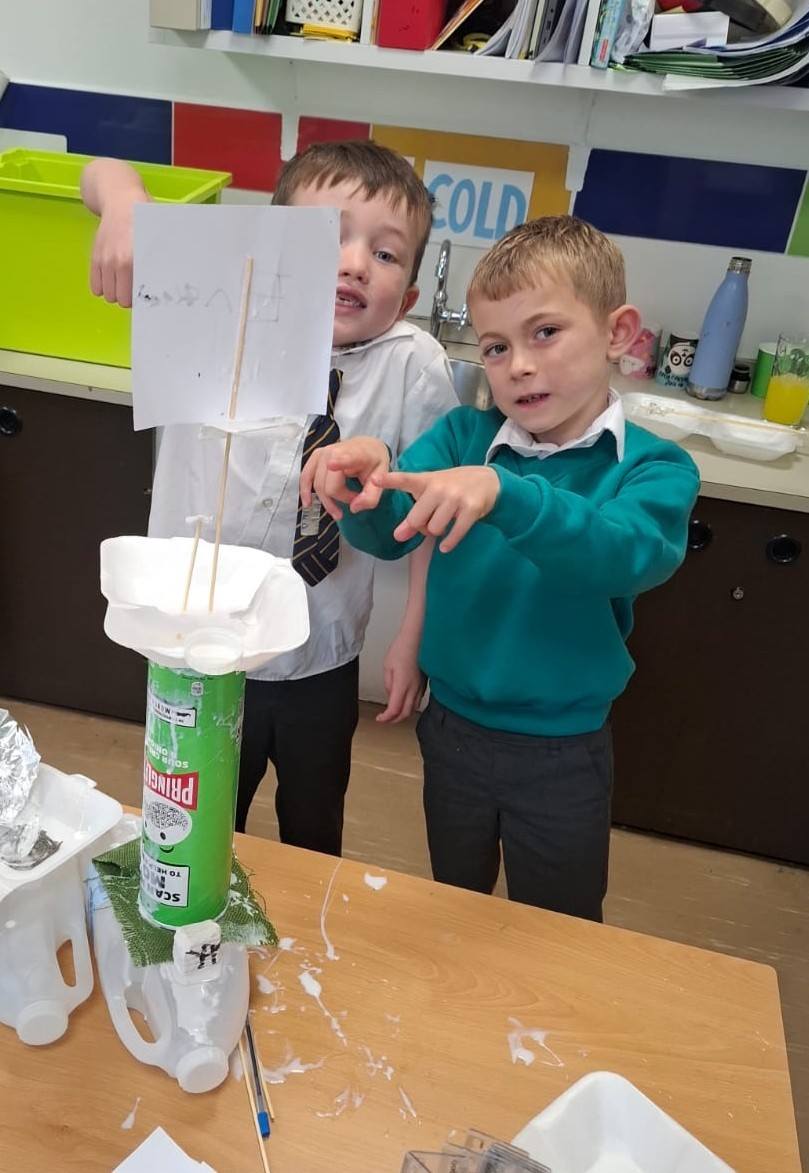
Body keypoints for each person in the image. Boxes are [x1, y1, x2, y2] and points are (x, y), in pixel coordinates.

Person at [302, 215, 700, 921]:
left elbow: (618, 555)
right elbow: (390, 531)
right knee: (458, 907)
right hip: (451, 727)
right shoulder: (464, 435)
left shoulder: (653, 467)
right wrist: (359, 484)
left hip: (563, 748)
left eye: (543, 332)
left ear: (616, 332)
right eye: (495, 346)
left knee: (557, 924)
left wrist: (506, 493)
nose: (517, 364)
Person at [81, 140, 458, 851]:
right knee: (193, 823)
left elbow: (428, 512)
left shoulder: (414, 363)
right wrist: (127, 207)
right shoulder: (216, 307)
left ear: (408, 293)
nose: (353, 262)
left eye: (385, 253)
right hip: (197, 640)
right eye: (331, 237)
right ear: (270, 244)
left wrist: (414, 636)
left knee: (313, 827)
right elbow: (97, 174)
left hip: (321, 648)